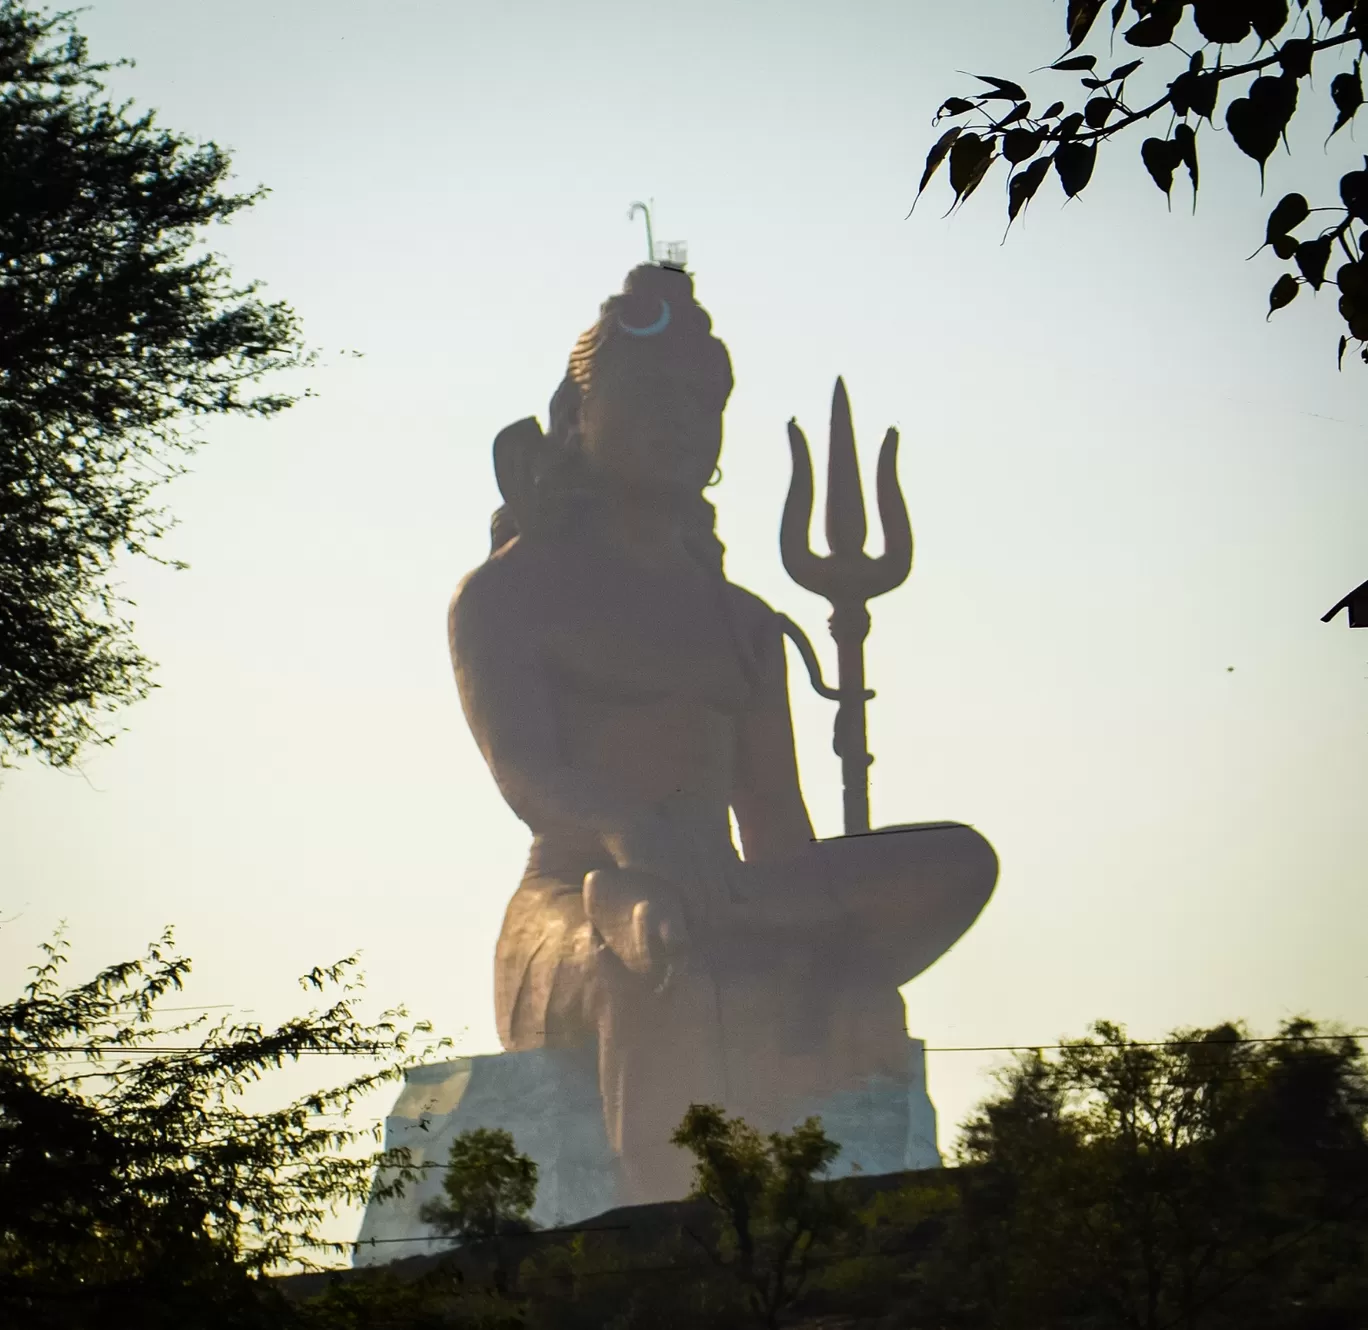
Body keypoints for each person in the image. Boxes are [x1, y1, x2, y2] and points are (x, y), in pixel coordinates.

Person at [449, 263, 997, 1202]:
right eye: (648, 395)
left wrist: (823, 939)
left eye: (701, 404)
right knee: (653, 967)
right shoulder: (509, 591)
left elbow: (778, 828)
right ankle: (674, 1249)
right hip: (568, 905)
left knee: (959, 862)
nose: (678, 420)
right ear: (578, 421)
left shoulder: (740, 623)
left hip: (722, 893)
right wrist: (628, 828)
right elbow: (524, 769)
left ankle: (693, 921)